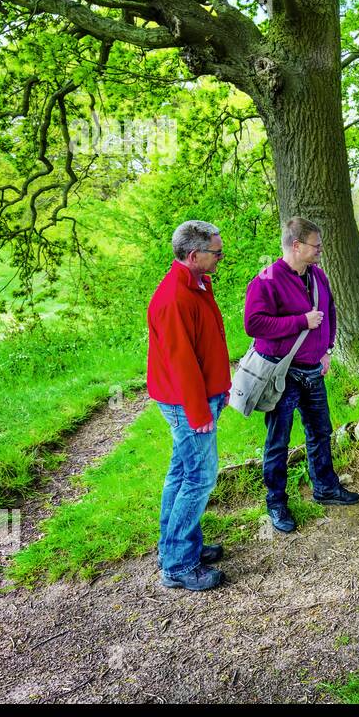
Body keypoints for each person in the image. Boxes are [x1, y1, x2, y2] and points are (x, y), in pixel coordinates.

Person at [245, 217, 359, 533]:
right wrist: (299, 321)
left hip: (313, 372)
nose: (320, 250)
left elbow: (330, 313)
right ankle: (276, 504)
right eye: (316, 245)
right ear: (296, 246)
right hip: (282, 375)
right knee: (278, 441)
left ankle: (324, 487)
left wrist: (328, 350)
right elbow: (253, 324)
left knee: (320, 431)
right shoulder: (266, 280)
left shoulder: (318, 275)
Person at [147, 220, 231, 591]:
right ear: (194, 256)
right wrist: (199, 412)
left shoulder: (198, 284)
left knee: (181, 474)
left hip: (202, 397)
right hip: (186, 404)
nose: (221, 257)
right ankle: (178, 565)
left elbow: (207, 345)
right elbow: (181, 362)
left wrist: (221, 387)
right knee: (200, 477)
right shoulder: (173, 298)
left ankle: (178, 548)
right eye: (216, 252)